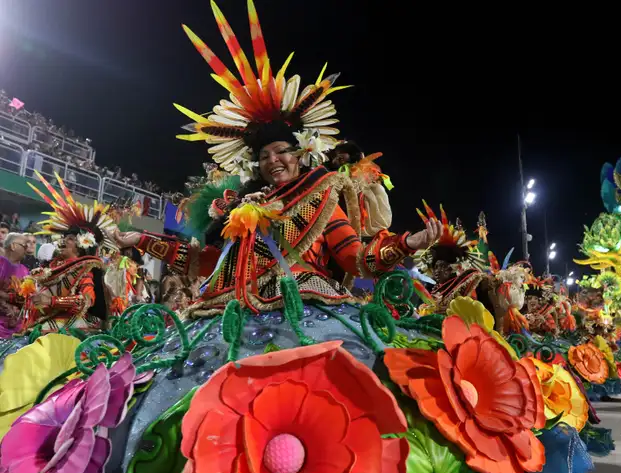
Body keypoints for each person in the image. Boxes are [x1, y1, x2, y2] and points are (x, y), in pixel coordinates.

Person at [114, 17, 440, 315]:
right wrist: (140, 240)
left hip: (305, 309)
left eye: (281, 151)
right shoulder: (241, 210)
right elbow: (206, 263)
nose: (273, 160)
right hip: (231, 312)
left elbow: (357, 262)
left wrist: (407, 243)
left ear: (300, 154)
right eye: (264, 156)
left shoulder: (322, 196)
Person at [23, 172, 117, 334]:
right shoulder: (50, 267)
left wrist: (52, 301)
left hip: (70, 323)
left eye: (71, 239)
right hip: (43, 319)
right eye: (65, 237)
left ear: (82, 245)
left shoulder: (83, 268)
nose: (64, 241)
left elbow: (87, 300)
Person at [0, 233, 31, 338]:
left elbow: (27, 297)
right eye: (24, 246)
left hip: (18, 329)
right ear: (13, 246)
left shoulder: (25, 270)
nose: (27, 249)